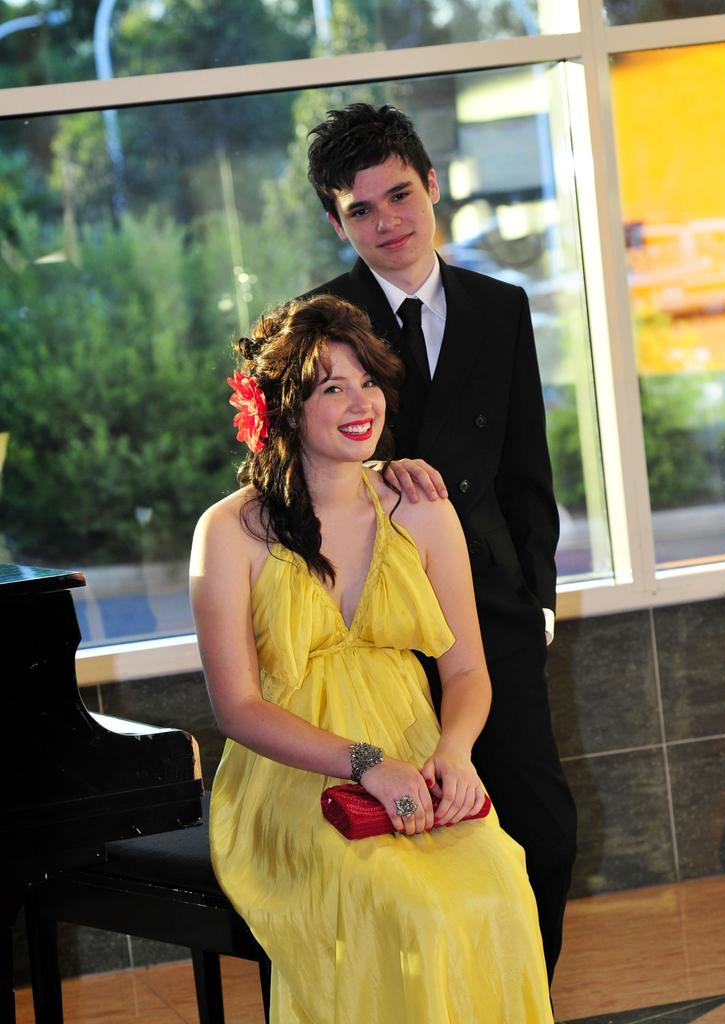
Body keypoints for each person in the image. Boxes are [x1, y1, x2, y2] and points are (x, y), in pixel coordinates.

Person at [190, 294, 553, 1023]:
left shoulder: (419, 504)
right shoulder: (229, 531)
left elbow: (467, 672)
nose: (362, 403)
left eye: (369, 382)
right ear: (285, 410)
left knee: (501, 883)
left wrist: (454, 752)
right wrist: (364, 764)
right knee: (401, 904)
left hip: (415, 749)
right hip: (290, 774)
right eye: (332, 387)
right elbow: (238, 708)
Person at [304, 102, 577, 982]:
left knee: (542, 825)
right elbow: (297, 473)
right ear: (335, 221)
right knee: (415, 847)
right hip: (378, 623)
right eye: (361, 210)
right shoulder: (320, 324)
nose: (386, 222)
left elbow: (527, 470)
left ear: (432, 189)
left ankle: (523, 995)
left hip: (493, 609)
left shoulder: (501, 307)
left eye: (399, 196)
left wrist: (537, 598)